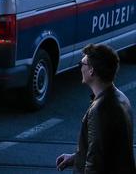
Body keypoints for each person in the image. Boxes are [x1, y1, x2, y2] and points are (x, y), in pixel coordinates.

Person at [56, 43, 136, 173]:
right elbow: (108, 148)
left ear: (91, 70)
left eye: (81, 64)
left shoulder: (100, 110)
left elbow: (96, 163)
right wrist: (77, 158)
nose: (80, 68)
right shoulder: (121, 98)